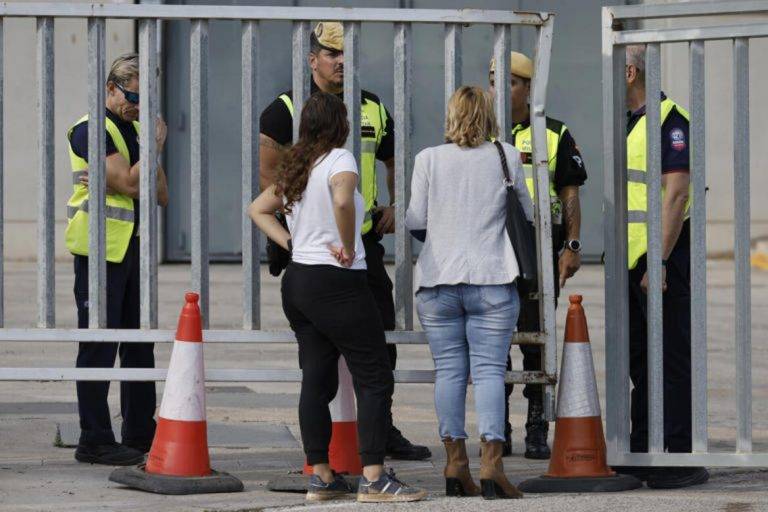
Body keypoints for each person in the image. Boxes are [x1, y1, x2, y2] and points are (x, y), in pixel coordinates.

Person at [258, 21, 430, 461]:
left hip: (362, 248)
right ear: (312, 58)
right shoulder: (284, 109)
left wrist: (392, 203)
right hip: (319, 251)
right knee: (320, 365)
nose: (340, 62)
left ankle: (378, 431)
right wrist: (297, 237)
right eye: (332, 54)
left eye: (345, 54)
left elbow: (392, 160)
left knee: (380, 343)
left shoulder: (370, 106)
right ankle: (349, 458)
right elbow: (268, 179)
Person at [406, 86, 531, 500]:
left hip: (437, 281)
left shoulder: (427, 159)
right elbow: (527, 215)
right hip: (492, 278)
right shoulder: (506, 156)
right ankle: (492, 466)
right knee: (491, 371)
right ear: (489, 116)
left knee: (450, 372)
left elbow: (415, 221)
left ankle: (455, 463)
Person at [610, 44, 709, 489]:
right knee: (638, 358)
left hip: (661, 259)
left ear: (629, 72)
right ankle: (641, 447)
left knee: (668, 356)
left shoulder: (671, 121)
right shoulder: (627, 123)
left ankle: (675, 454)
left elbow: (677, 194)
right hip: (631, 262)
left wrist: (659, 259)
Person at [66, 53, 169, 465]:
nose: (139, 106)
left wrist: (138, 172)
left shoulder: (138, 131)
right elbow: (130, 182)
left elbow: (159, 193)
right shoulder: (90, 130)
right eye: (132, 96)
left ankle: (141, 433)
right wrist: (148, 157)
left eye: (146, 99)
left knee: (140, 347)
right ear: (110, 87)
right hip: (99, 251)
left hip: (133, 250)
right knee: (98, 347)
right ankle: (94, 438)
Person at [489, 51, 587, 459]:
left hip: (538, 246)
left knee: (536, 339)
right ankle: (498, 427)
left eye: (510, 81)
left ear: (528, 88)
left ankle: (534, 423)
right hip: (492, 246)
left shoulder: (553, 132)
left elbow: (569, 192)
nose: (500, 89)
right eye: (494, 80)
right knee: (494, 341)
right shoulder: (479, 130)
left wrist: (572, 245)